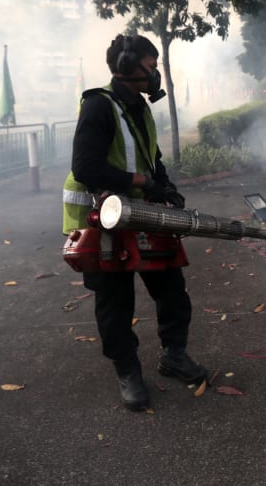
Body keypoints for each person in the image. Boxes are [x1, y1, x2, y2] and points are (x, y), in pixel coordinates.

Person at [62, 34, 206, 411]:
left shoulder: (140, 108)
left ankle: (174, 356)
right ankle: (128, 371)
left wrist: (166, 187)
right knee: (115, 303)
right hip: (104, 220)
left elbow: (150, 158)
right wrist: (140, 182)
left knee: (172, 289)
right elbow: (85, 167)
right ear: (128, 66)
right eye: (151, 65)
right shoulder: (98, 106)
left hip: (143, 216)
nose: (156, 72)